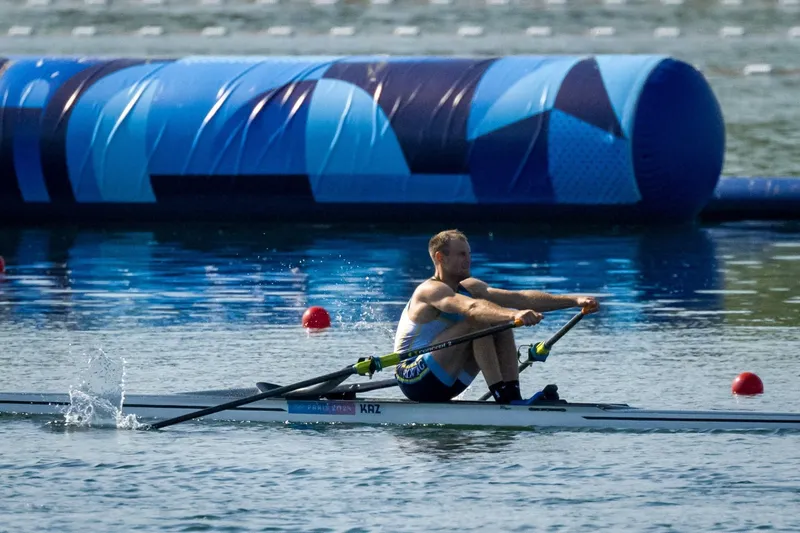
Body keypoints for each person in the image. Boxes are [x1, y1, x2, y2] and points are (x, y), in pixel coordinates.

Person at [394, 229, 599, 404]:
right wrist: (514, 314)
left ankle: (513, 397)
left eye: (469, 254)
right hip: (413, 378)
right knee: (480, 319)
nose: (468, 260)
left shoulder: (471, 287)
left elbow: (520, 298)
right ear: (440, 257)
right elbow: (472, 307)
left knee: (497, 319)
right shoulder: (430, 290)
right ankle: (503, 399)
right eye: (461, 254)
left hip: (448, 379)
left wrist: (575, 300)